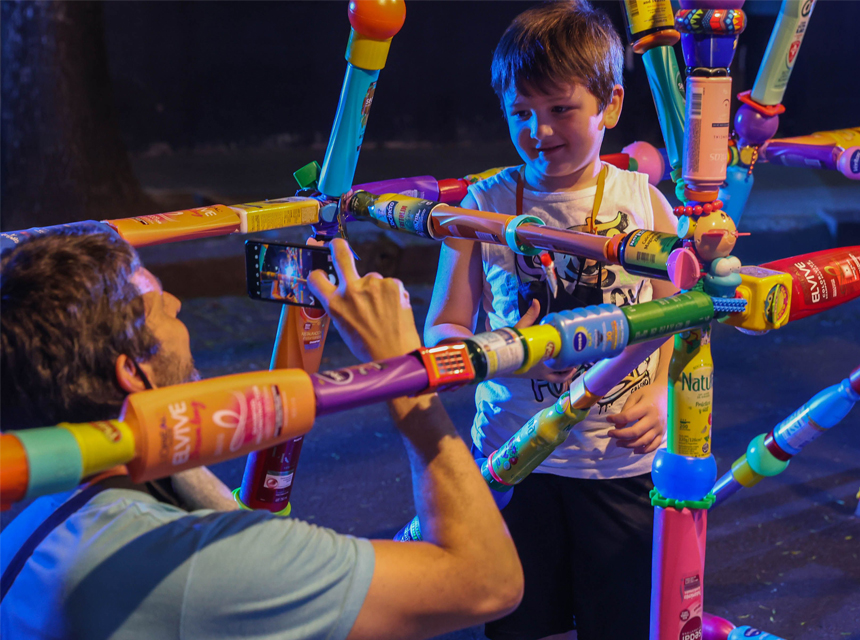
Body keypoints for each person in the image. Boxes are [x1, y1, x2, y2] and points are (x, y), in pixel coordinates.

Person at [0, 225, 523, 639]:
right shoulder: (192, 562)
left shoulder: (44, 507)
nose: (179, 306)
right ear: (132, 370)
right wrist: (403, 374)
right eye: (160, 302)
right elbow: (487, 582)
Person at [424, 2, 678, 638]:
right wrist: (483, 350)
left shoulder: (644, 203)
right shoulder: (480, 207)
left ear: (609, 106)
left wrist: (660, 393)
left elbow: (674, 316)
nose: (539, 130)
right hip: (512, 456)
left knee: (621, 621)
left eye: (560, 109)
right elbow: (446, 327)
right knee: (518, 621)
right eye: (520, 112)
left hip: (618, 463)